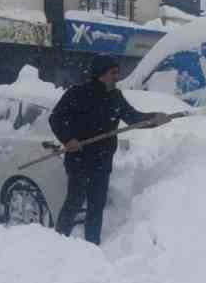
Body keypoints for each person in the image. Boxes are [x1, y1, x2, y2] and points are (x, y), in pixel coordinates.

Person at [48, 56, 172, 244]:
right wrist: (68, 139)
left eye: (117, 73)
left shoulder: (115, 96)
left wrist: (155, 119)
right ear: (101, 74)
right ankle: (58, 242)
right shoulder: (77, 94)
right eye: (113, 73)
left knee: (96, 206)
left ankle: (92, 245)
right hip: (79, 159)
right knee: (74, 202)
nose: (117, 77)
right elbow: (55, 118)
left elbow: (133, 118)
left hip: (102, 161)